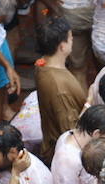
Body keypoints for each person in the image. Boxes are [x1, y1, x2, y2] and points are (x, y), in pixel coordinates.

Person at [35, 17, 87, 163]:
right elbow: (70, 132)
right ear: (62, 46)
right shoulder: (60, 87)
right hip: (62, 154)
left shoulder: (41, 64)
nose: (72, 41)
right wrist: (88, 103)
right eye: (70, 38)